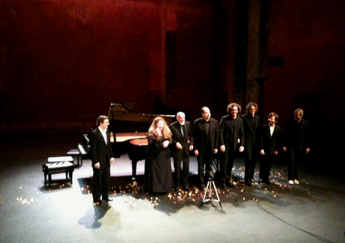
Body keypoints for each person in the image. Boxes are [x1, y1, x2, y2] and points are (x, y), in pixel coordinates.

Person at [89, 115, 115, 205]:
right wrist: (96, 161)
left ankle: (105, 196)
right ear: (101, 123)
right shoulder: (94, 133)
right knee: (98, 180)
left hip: (106, 160)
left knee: (106, 179)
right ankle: (96, 198)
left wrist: (111, 156)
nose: (108, 123)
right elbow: (93, 149)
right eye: (106, 122)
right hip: (99, 161)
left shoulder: (107, 131)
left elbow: (109, 146)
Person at [144, 116, 173, 194]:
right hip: (154, 156)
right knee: (155, 173)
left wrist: (168, 142)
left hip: (164, 155)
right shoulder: (151, 132)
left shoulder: (166, 130)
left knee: (164, 172)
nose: (161, 126)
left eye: (162, 124)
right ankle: (155, 189)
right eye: (159, 124)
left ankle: (164, 188)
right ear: (155, 125)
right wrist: (158, 136)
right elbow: (152, 144)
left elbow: (170, 139)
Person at [219, 103, 244, 188]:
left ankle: (228, 180)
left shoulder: (240, 120)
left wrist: (242, 145)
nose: (234, 111)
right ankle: (222, 181)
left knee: (230, 163)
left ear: (238, 111)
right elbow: (220, 132)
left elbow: (242, 133)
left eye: (236, 110)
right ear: (230, 111)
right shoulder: (224, 119)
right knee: (224, 163)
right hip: (225, 145)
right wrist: (221, 144)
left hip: (233, 146)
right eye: (232, 110)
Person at [193, 106, 219, 190]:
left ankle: (208, 181)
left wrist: (215, 147)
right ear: (202, 114)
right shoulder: (197, 122)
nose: (208, 114)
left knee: (209, 166)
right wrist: (195, 148)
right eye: (206, 113)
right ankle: (201, 183)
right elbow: (195, 136)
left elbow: (216, 135)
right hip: (201, 148)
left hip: (210, 148)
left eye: (209, 112)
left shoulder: (214, 122)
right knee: (201, 166)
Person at [283, 108, 311, 185]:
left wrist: (307, 146)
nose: (295, 116)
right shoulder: (291, 123)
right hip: (291, 144)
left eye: (297, 114)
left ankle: (296, 178)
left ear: (301, 115)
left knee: (297, 162)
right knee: (291, 161)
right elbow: (287, 134)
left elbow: (307, 135)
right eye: (295, 114)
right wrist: (285, 145)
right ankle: (290, 178)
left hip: (300, 145)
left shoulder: (305, 123)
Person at [170, 112, 194, 191]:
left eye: (183, 117)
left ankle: (185, 183)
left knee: (186, 167)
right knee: (177, 167)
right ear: (177, 118)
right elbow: (170, 138)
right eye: (180, 118)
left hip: (186, 149)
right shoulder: (172, 126)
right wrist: (175, 143)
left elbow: (191, 135)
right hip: (177, 150)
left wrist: (191, 144)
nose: (182, 119)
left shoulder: (187, 124)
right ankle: (177, 185)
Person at [259, 112, 281, 184]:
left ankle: (266, 177)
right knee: (263, 163)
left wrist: (276, 149)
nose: (270, 120)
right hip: (264, 148)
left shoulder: (278, 129)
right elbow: (261, 139)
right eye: (269, 118)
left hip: (272, 148)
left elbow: (278, 140)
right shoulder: (264, 127)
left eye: (271, 118)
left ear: (275, 120)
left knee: (269, 164)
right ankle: (261, 177)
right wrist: (261, 148)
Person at [242, 102, 261, 186]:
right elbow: (242, 131)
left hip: (255, 142)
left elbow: (259, 131)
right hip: (247, 142)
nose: (252, 111)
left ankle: (251, 177)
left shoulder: (258, 118)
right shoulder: (243, 118)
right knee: (248, 160)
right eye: (251, 109)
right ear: (248, 110)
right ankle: (247, 179)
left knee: (253, 160)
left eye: (254, 109)